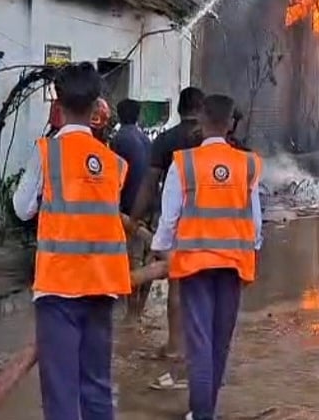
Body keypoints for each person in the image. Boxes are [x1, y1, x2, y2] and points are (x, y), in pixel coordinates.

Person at [11, 62, 133, 420]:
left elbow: (21, 209)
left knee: (61, 390)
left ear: (57, 105)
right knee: (96, 385)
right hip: (104, 286)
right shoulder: (114, 163)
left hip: (59, 288)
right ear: (97, 107)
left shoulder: (47, 153)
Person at [151, 94, 263, 420]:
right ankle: (206, 411)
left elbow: (169, 219)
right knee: (219, 344)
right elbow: (255, 223)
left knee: (199, 344)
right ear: (230, 124)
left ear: (200, 121)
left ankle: (201, 415)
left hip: (196, 266)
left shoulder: (183, 163)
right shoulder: (248, 163)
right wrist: (249, 254)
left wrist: (162, 249)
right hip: (233, 266)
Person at [130, 87, 205, 387]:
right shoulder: (208, 139)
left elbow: (150, 183)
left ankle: (175, 344)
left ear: (179, 110)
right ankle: (194, 352)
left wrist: (135, 218)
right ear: (201, 109)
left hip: (174, 218)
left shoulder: (166, 140)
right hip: (209, 225)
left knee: (176, 279)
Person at [111, 99, 154, 322]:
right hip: (149, 207)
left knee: (131, 261)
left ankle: (130, 315)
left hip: (128, 208)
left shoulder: (119, 140)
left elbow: (115, 177)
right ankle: (138, 311)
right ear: (137, 116)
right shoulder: (146, 140)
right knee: (148, 259)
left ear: (118, 115)